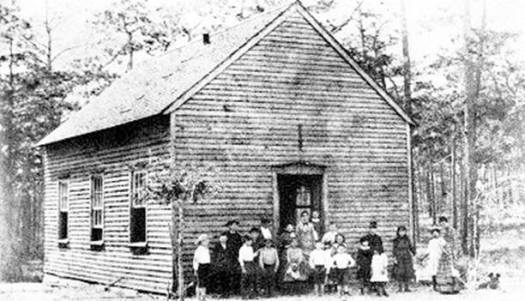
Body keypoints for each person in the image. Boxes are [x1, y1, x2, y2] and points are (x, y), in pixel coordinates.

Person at [392, 226, 415, 292]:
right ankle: (400, 288)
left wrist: (414, 253)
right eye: (400, 231)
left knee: (407, 271)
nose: (402, 233)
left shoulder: (407, 239)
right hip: (399, 257)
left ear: (405, 232)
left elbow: (411, 247)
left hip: (407, 256)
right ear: (398, 232)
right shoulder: (396, 240)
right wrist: (394, 258)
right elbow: (394, 249)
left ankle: (406, 287)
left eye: (403, 231)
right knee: (400, 272)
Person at [225, 220, 243, 295]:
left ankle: (236, 291)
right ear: (230, 226)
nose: (236, 227)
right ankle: (227, 291)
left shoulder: (238, 236)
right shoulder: (225, 235)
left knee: (237, 273)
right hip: (228, 257)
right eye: (234, 225)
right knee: (228, 273)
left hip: (236, 257)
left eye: (237, 225)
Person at [212, 232, 231, 297]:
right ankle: (220, 293)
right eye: (222, 238)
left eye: (225, 238)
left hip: (227, 265)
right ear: (220, 239)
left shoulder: (229, 246)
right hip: (219, 265)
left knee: (227, 279)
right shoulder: (217, 246)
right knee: (220, 279)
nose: (223, 239)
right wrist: (216, 264)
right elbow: (215, 256)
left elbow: (231, 255)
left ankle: (227, 293)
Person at [193, 234, 212, 301]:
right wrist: (195, 269)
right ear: (202, 242)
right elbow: (195, 260)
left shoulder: (206, 249)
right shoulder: (199, 250)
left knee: (204, 282)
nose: (208, 242)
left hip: (206, 266)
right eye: (206, 241)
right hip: (200, 267)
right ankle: (199, 297)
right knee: (200, 283)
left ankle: (203, 296)